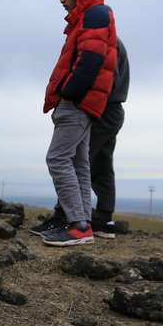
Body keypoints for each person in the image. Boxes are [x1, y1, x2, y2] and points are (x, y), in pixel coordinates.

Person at [38, 0, 119, 247]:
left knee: (57, 158)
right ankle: (83, 222)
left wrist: (67, 92)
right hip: (85, 104)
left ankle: (77, 225)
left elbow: (90, 61)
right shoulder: (89, 18)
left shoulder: (94, 15)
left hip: (77, 103)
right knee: (79, 163)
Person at [30, 38, 129, 239]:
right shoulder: (114, 42)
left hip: (102, 108)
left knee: (75, 161)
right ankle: (101, 218)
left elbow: (104, 78)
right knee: (100, 161)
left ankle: (67, 217)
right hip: (112, 109)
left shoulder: (105, 42)